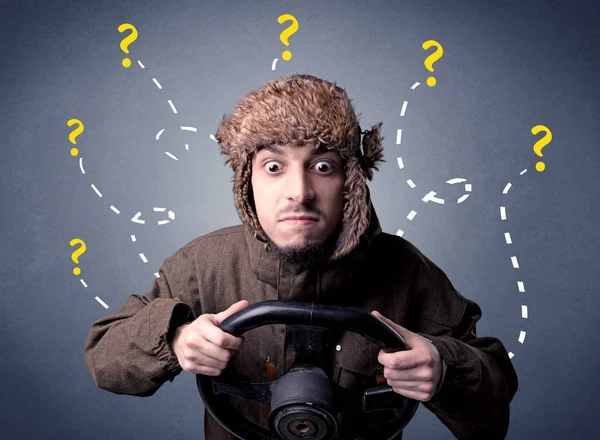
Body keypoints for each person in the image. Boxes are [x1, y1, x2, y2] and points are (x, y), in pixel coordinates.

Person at [84, 74, 518, 439]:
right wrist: (175, 338)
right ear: (246, 181)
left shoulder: (404, 269)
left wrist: (444, 369)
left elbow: (493, 406)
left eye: (323, 166)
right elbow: (105, 358)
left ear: (352, 180)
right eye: (274, 167)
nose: (299, 191)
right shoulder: (204, 264)